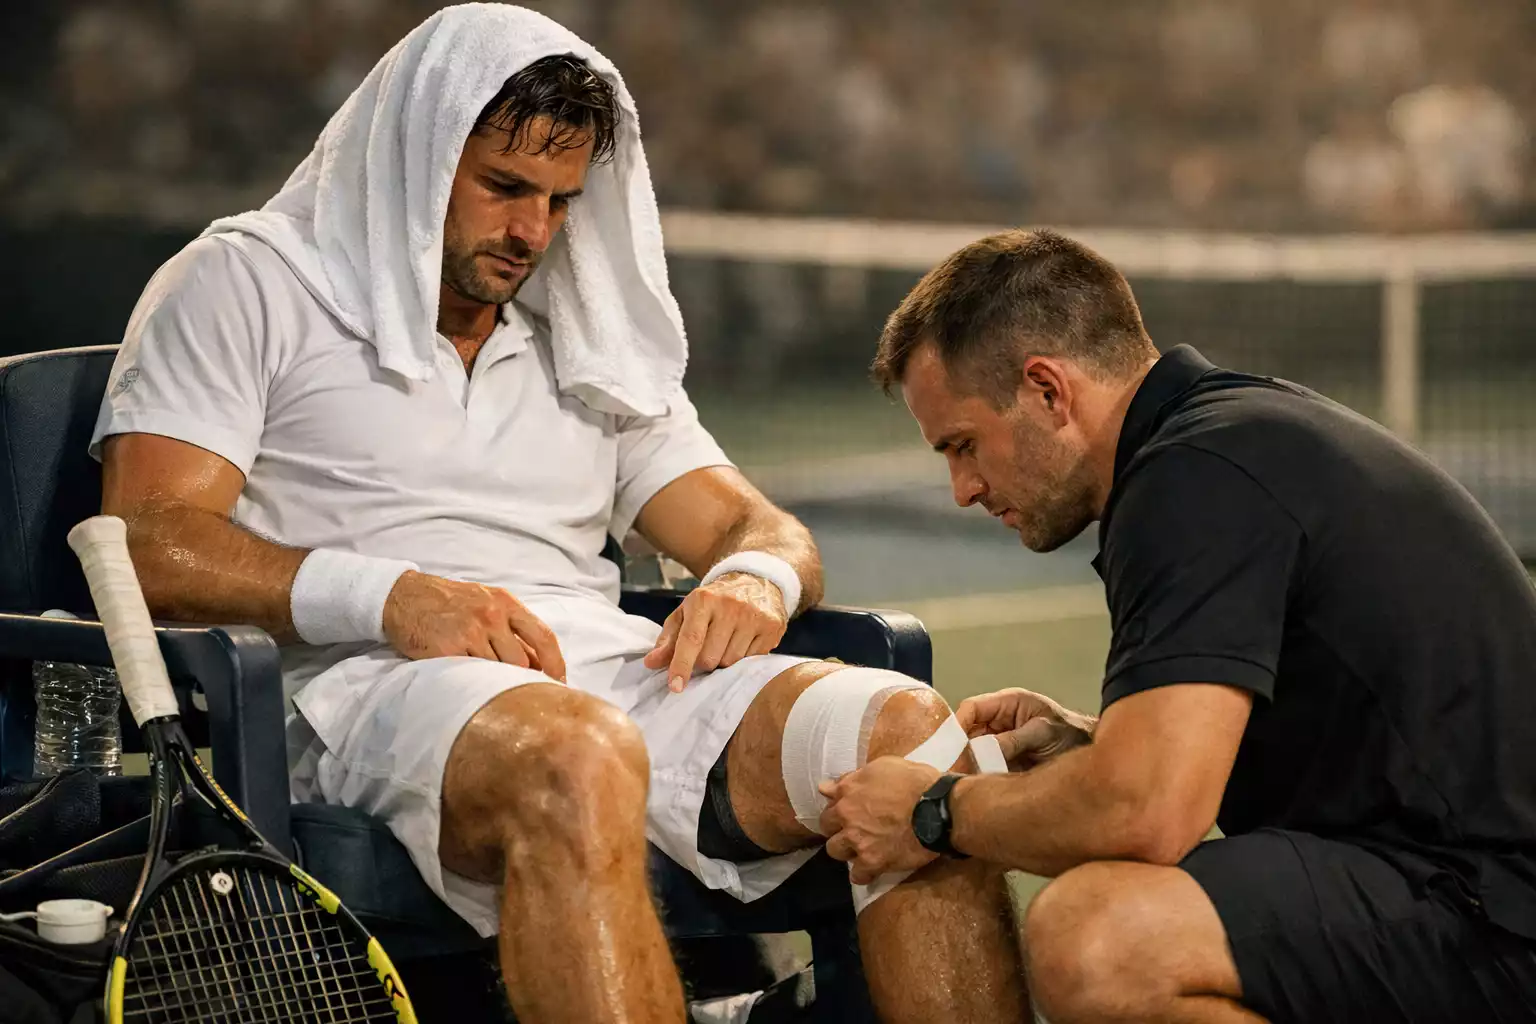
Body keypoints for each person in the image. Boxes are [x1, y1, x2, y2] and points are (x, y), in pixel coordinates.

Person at [90, 7, 1025, 1023]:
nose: (532, 232)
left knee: (913, 739)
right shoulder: (246, 281)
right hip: (366, 686)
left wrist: (755, 580)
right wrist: (395, 597)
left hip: (609, 678)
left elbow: (759, 530)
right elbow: (149, 541)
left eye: (559, 200)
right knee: (578, 758)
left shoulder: (579, 328)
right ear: (416, 158)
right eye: (504, 187)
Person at [826, 227, 1536, 1022]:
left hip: (1495, 912)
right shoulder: (1225, 441)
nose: (962, 488)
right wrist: (1096, 745)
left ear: (1048, 390)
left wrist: (934, 812)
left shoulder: (1191, 481)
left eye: (963, 446)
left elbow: (1148, 812)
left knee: (1098, 939)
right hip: (1465, 884)